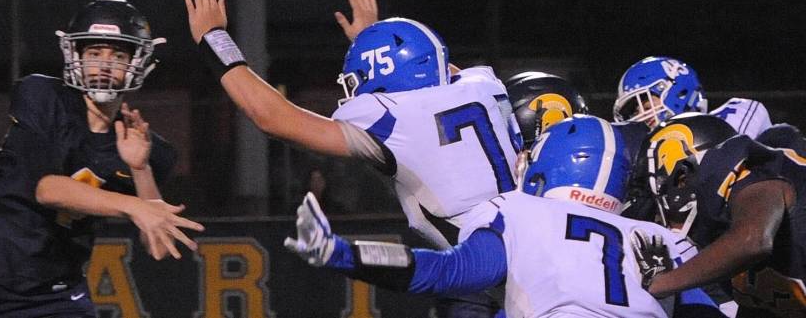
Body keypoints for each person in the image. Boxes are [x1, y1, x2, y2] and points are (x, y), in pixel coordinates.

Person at [185, 0, 519, 316]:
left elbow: (273, 117)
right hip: (532, 253)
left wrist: (215, 39)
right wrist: (373, 40)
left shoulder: (393, 118)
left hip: (495, 277)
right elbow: (432, 66)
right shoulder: (479, 85)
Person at [285, 115, 727, 318]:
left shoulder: (517, 210)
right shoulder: (658, 237)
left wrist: (340, 252)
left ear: (548, 163)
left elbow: (450, 271)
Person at [0, 0, 203, 318]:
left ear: (138, 62)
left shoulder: (148, 149)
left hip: (59, 296)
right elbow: (47, 190)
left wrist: (140, 169)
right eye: (94, 53)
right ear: (74, 54)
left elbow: (159, 246)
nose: (105, 65)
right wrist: (134, 205)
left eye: (118, 54)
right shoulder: (43, 98)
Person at [637, 112, 806, 317]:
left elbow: (752, 240)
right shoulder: (726, 249)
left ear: (682, 179)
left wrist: (657, 285)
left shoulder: (752, 172)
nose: (656, 215)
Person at [613, 56, 772, 137]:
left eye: (646, 107)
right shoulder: (643, 162)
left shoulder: (734, 116)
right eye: (635, 112)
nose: (641, 117)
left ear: (679, 94)